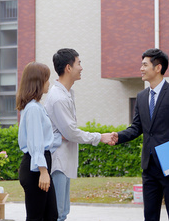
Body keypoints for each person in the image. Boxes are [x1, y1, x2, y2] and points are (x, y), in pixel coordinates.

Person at [114, 48, 169, 221]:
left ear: (158, 68)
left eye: (144, 65)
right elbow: (136, 128)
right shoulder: (141, 96)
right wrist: (118, 136)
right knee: (150, 216)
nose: (141, 69)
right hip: (149, 167)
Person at [44, 48, 117, 221]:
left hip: (65, 159)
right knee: (59, 214)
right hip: (58, 162)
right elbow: (71, 132)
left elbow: (68, 132)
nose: (81, 67)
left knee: (63, 212)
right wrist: (101, 137)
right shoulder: (58, 97)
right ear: (68, 68)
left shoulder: (66, 94)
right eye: (79, 63)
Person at [17, 62, 62, 221]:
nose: (49, 83)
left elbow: (42, 139)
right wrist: (43, 171)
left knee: (50, 215)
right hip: (36, 167)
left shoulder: (33, 107)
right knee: (38, 217)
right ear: (37, 81)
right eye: (46, 79)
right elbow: (36, 144)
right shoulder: (34, 108)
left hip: (37, 164)